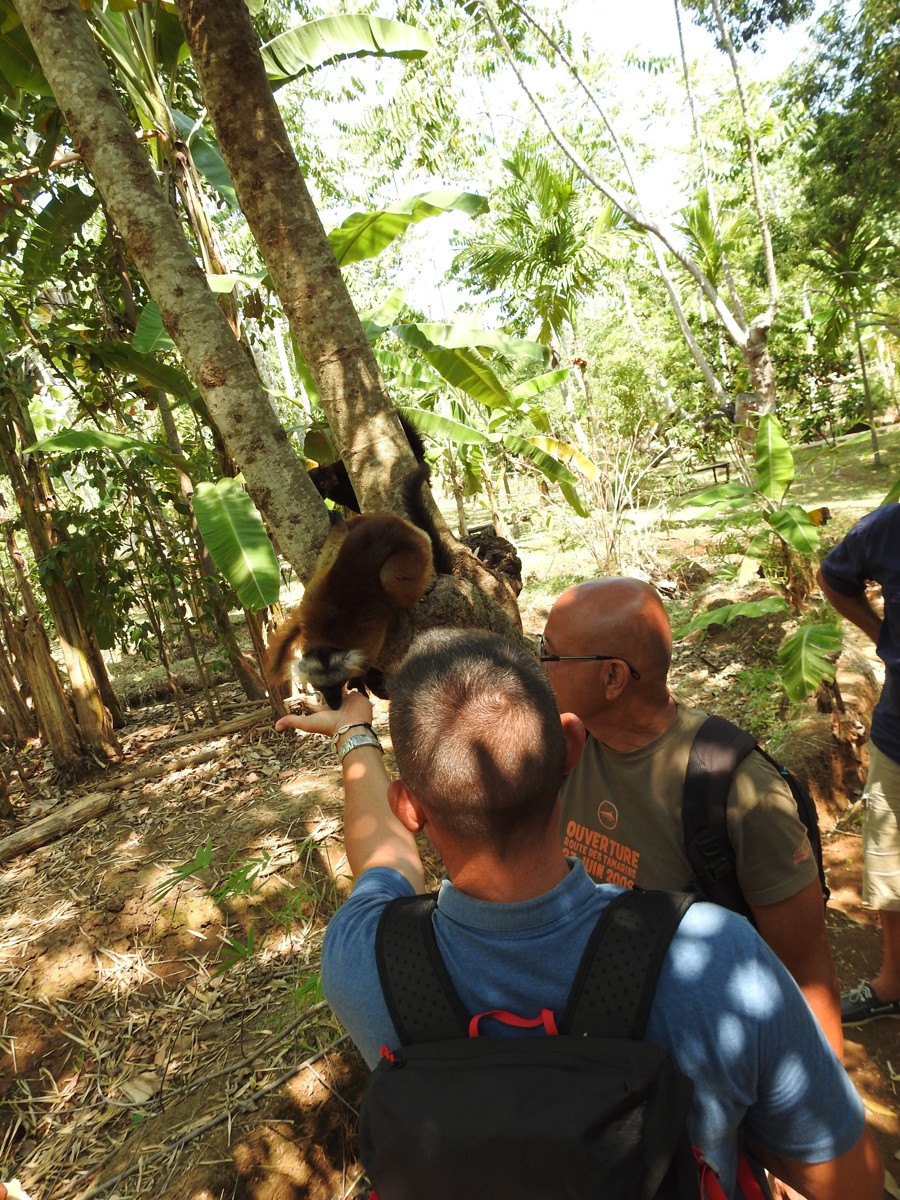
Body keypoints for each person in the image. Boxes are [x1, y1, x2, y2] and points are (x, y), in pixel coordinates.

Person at [276, 628, 882, 1200]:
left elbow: (384, 858)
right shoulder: (715, 956)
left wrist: (355, 735)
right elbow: (848, 1179)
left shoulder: (362, 958)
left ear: (409, 807)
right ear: (571, 746)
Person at [541, 577, 843, 1058]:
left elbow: (807, 973)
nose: (539, 664)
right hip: (602, 1040)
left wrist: (821, 1100)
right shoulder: (567, 749)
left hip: (703, 1050)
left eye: (550, 653)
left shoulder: (742, 794)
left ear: (612, 678)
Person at [818, 502, 900, 1025]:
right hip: (898, 735)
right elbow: (834, 577)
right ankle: (894, 983)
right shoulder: (889, 527)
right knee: (891, 863)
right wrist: (882, 636)